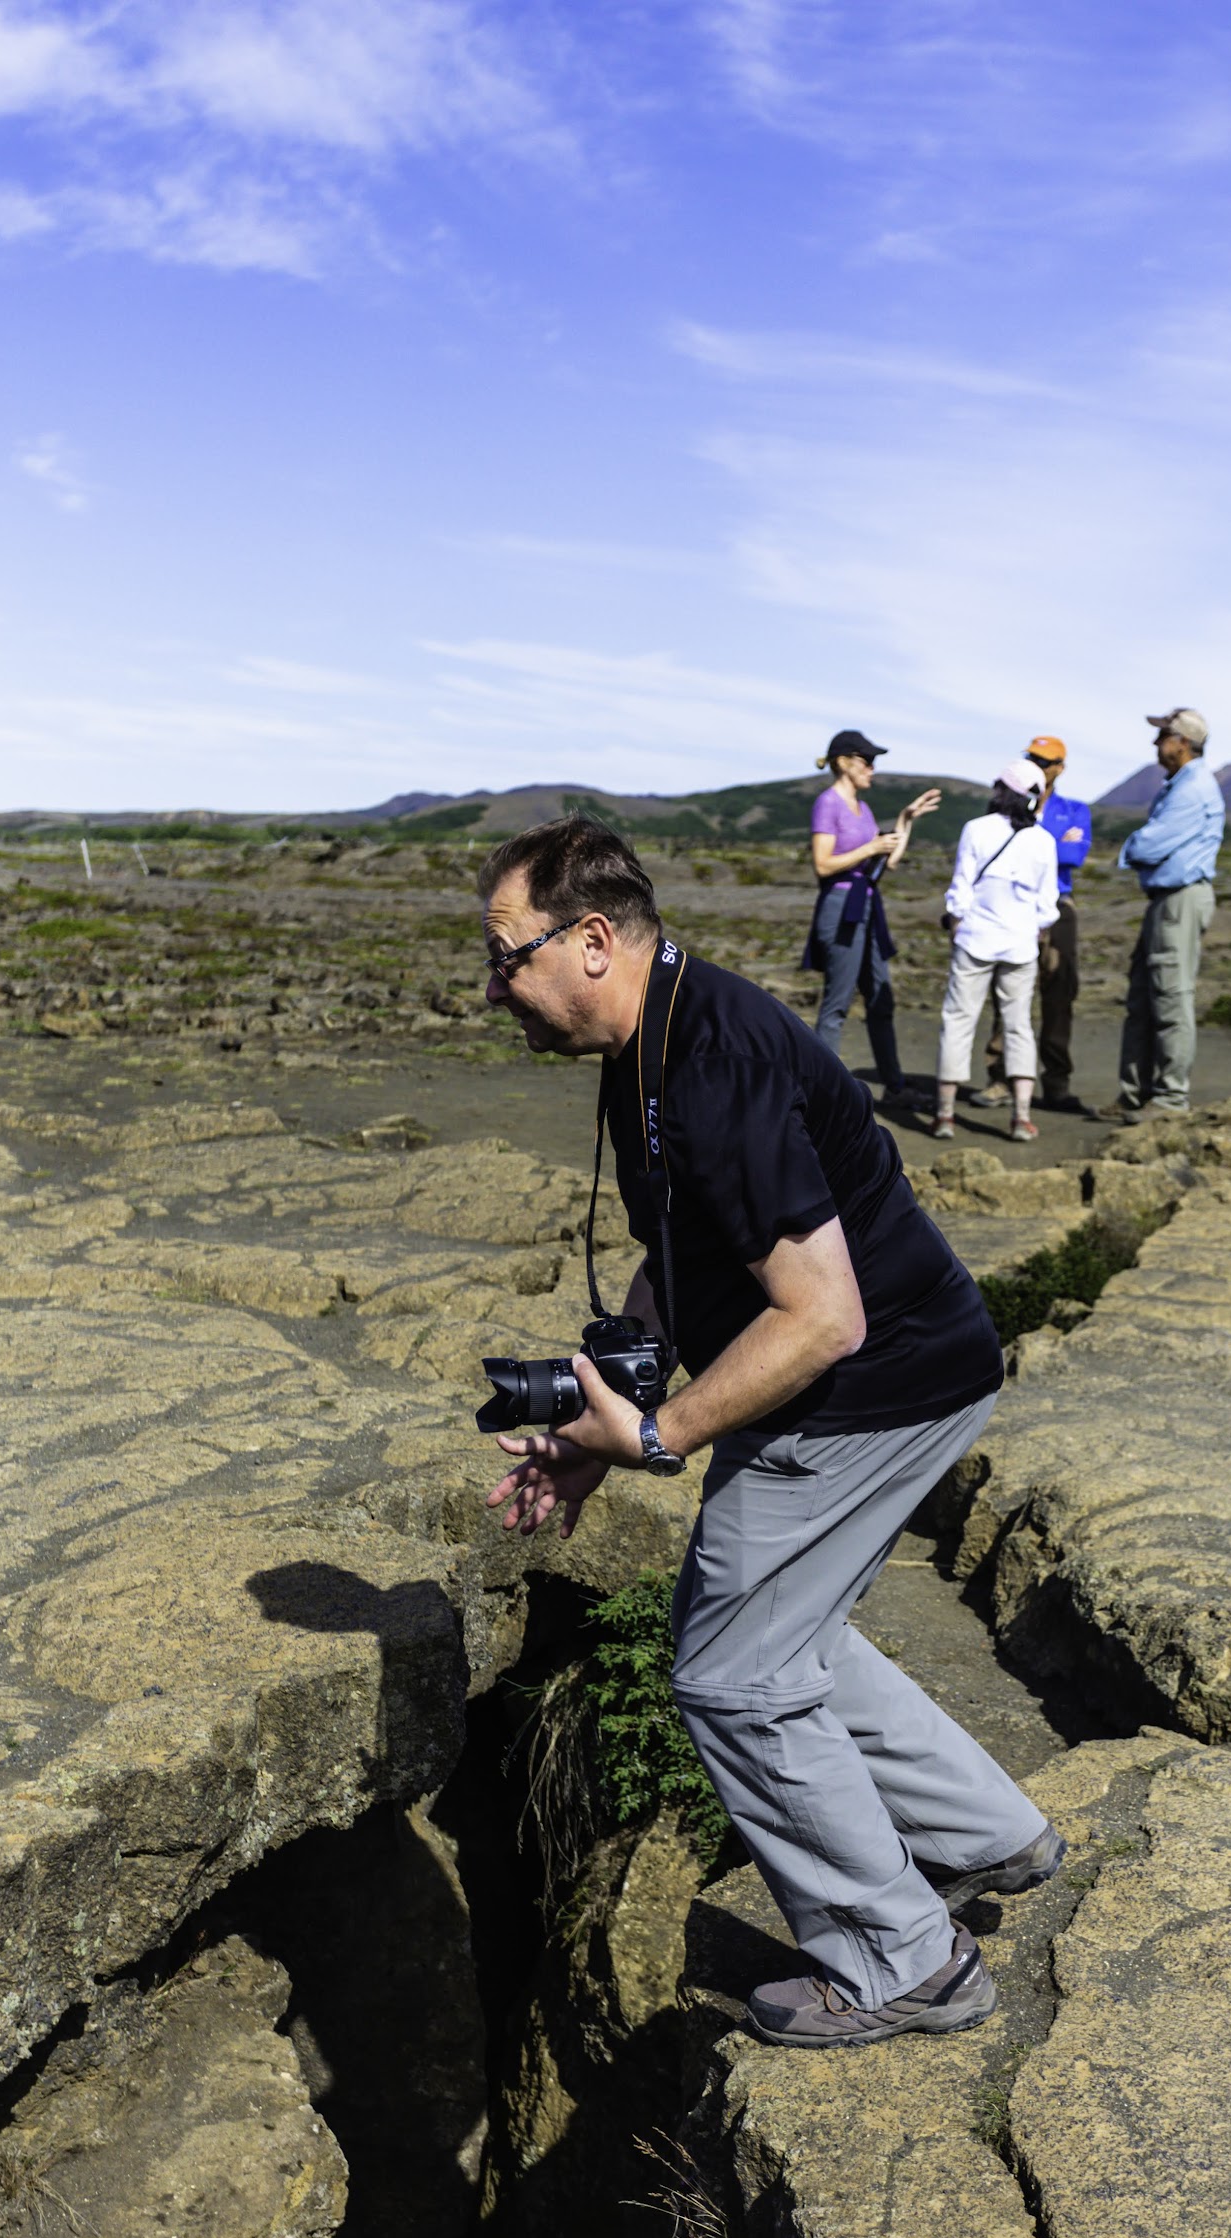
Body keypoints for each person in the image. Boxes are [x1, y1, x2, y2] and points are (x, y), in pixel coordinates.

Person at [478, 815, 1065, 2050]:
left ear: (590, 940)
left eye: (506, 956)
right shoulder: (655, 1040)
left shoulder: (715, 1064)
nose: (495, 991)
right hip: (912, 1360)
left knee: (730, 1675)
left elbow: (820, 1317)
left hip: (867, 1385)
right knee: (775, 1633)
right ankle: (986, 1835)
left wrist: (661, 1434)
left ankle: (907, 1961)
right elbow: (679, 1254)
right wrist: (607, 1406)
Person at [1099, 706, 1225, 1121]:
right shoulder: (1180, 785)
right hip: (1166, 900)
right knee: (1143, 996)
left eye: (1163, 736)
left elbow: (1148, 846)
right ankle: (1135, 1094)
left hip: (1180, 900)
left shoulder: (1192, 789)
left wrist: (1132, 846)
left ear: (1183, 743)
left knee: (1170, 996)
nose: (1156, 744)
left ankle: (1170, 1099)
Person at [804, 729, 939, 1111]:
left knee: (881, 999)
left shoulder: (863, 810)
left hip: (866, 905)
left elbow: (888, 861)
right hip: (841, 907)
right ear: (844, 762)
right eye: (867, 761)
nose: (873, 769)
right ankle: (823, 1094)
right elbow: (822, 863)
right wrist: (871, 846)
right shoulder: (827, 804)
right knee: (838, 1004)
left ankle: (894, 1085)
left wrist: (904, 821)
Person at [931, 762, 1059, 1145]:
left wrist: (957, 924)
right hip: (1020, 945)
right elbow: (1048, 902)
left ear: (1001, 790)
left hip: (975, 940)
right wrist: (1034, 931)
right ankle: (1021, 1118)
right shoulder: (1044, 841)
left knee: (958, 1020)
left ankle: (944, 1114)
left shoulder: (976, 830)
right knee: (1018, 1025)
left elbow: (960, 889)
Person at [977, 734, 1090, 1112]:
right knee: (1008, 991)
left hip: (1057, 905)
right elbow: (1057, 848)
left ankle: (1056, 1082)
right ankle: (1000, 1077)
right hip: (1012, 906)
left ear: (1060, 768)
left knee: (1059, 993)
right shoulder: (1007, 807)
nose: (1038, 767)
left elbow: (1075, 854)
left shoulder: (1075, 810)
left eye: (1045, 761)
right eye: (1032, 759)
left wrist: (1036, 843)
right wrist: (1054, 843)